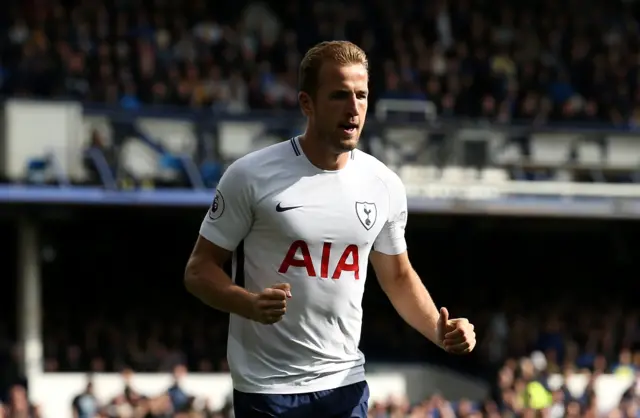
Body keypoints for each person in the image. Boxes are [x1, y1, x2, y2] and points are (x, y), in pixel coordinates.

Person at [184, 40, 477, 418]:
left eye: (361, 95)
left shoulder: (383, 183)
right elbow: (198, 270)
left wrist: (441, 330)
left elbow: (398, 277)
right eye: (339, 95)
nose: (353, 108)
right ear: (308, 103)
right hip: (268, 388)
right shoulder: (250, 176)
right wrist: (249, 304)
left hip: (344, 385)